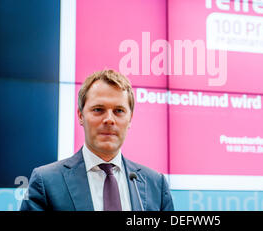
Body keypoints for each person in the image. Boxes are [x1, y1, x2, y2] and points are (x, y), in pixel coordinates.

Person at [20, 69, 174, 211]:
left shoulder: (155, 185)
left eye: (118, 111)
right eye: (98, 110)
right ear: (81, 116)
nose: (109, 119)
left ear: (130, 119)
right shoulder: (46, 182)